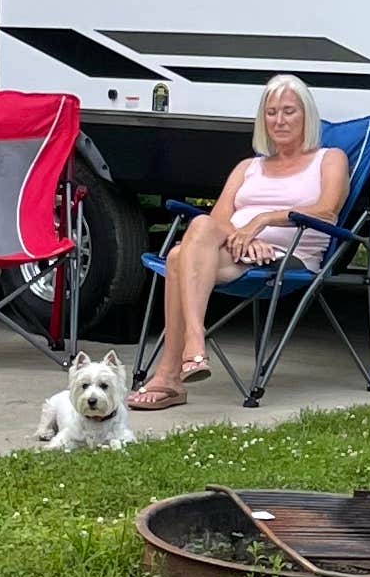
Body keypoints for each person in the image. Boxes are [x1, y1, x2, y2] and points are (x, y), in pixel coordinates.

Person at [132, 75, 349, 408]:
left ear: (307, 115)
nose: (279, 120)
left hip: (289, 255)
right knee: (200, 225)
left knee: (177, 257)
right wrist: (245, 240)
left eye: (289, 111)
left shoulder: (329, 158)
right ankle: (192, 344)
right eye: (271, 112)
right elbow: (219, 221)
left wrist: (261, 221)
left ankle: (171, 372)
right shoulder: (249, 166)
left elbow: (327, 211)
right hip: (239, 250)